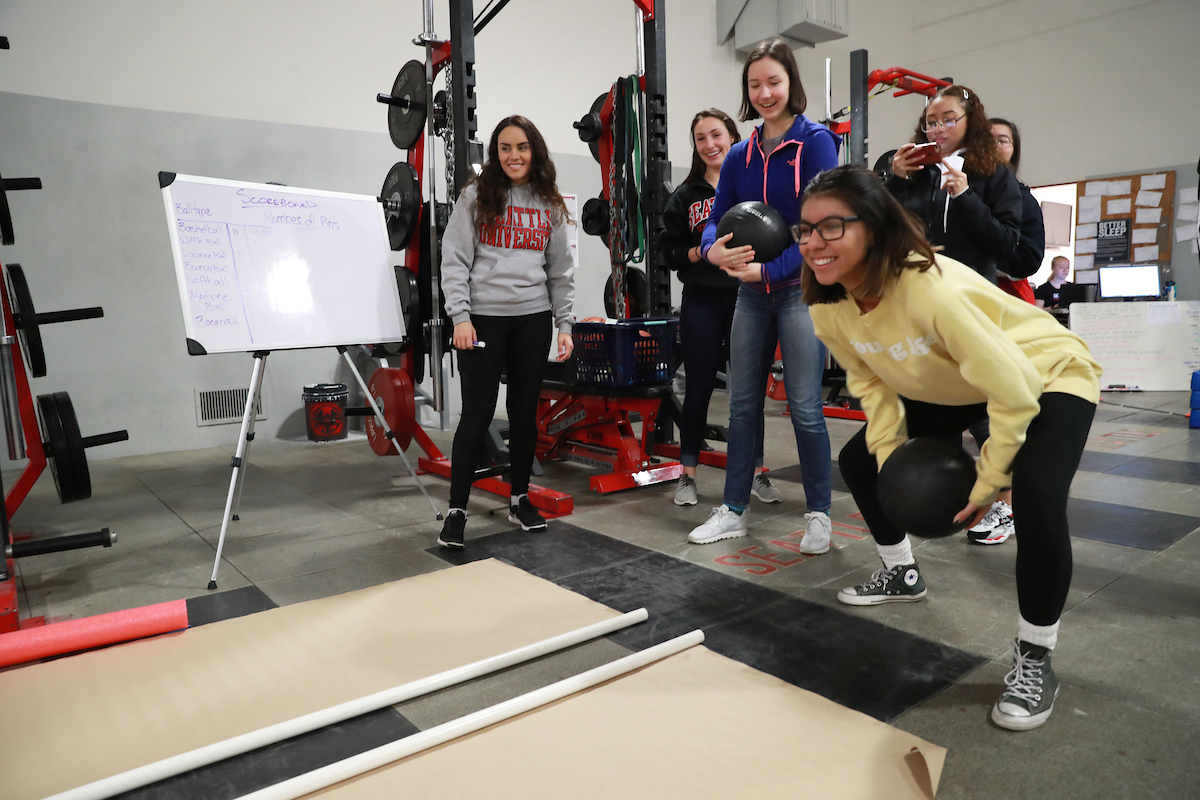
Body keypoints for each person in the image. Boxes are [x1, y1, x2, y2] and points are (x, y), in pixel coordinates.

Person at [796, 164, 1101, 731]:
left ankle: (1034, 656)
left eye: (833, 226)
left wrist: (990, 479)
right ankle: (900, 574)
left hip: (1043, 369)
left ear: (876, 225)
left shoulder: (923, 286)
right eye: (806, 230)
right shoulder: (828, 306)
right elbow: (871, 384)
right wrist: (893, 468)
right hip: (949, 379)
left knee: (1034, 493)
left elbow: (1012, 388)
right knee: (859, 460)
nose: (815, 242)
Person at [689, 37, 836, 551]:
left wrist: (771, 271)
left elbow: (822, 227)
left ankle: (819, 512)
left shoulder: (816, 142)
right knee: (742, 405)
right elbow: (715, 222)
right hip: (750, 295)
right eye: (755, 85)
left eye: (774, 81)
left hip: (799, 290)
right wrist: (713, 254)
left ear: (791, 83)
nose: (765, 92)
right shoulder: (737, 155)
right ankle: (733, 508)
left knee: (804, 407)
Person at [436, 115, 575, 549]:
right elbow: (454, 260)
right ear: (496, 154)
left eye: (522, 147)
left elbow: (560, 270)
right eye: (505, 148)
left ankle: (520, 499)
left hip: (532, 320)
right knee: (476, 414)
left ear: (535, 151)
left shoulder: (549, 203)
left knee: (523, 413)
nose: (514, 156)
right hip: (483, 320)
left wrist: (564, 323)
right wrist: (460, 317)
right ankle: (457, 509)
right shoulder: (476, 196)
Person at [661, 109, 782, 508]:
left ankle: (757, 473)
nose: (710, 144)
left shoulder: (753, 185)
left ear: (733, 137)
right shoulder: (685, 196)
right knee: (697, 390)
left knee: (748, 393)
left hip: (751, 299)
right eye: (701, 138)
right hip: (702, 302)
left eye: (717, 135)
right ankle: (687, 475)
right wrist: (701, 252)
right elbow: (668, 252)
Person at [887, 85, 1022, 285]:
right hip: (916, 285)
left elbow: (1005, 244)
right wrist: (896, 180)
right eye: (931, 123)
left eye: (949, 120)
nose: (938, 129)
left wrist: (966, 196)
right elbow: (882, 228)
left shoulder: (996, 173)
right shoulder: (917, 171)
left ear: (971, 122)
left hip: (971, 288)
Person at [991, 117, 1044, 305]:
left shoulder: (1026, 201)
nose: (994, 146)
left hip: (1009, 298)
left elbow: (1029, 259)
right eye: (986, 140)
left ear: (1014, 150)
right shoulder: (959, 192)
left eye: (1002, 141)